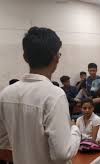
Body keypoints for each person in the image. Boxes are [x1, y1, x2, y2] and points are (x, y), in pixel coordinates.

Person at [0, 27, 80, 164]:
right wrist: (75, 130)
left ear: (25, 57)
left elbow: (3, 141)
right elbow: (62, 154)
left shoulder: (6, 93)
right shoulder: (54, 95)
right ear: (56, 58)